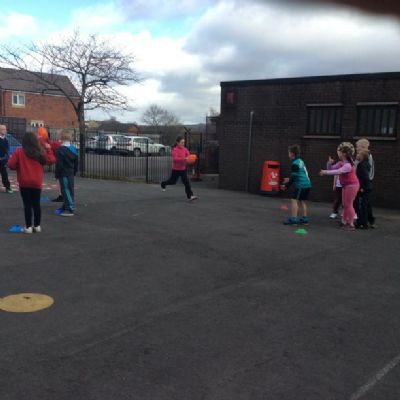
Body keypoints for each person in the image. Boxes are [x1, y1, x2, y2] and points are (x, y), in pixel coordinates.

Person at [7, 132, 56, 233]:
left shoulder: (19, 151)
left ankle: (28, 226)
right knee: (36, 204)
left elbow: (11, 165)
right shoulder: (40, 152)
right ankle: (37, 226)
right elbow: (51, 160)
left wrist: (19, 167)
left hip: (24, 182)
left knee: (27, 205)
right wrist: (49, 149)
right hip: (36, 182)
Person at [319, 142, 359, 231]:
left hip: (352, 185)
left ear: (344, 154)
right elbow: (332, 169)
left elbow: (338, 171)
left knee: (348, 205)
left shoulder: (348, 165)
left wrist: (325, 172)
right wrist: (329, 164)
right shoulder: (341, 162)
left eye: (339, 152)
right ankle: (344, 222)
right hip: (345, 185)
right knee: (345, 205)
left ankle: (351, 224)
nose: (338, 153)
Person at [280, 144, 312, 225]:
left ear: (292, 154)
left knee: (294, 200)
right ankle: (304, 219)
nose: (288, 154)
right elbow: (299, 174)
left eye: (289, 152)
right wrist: (289, 179)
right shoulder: (300, 161)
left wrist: (286, 186)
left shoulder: (295, 163)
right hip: (307, 184)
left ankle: (293, 219)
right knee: (303, 201)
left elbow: (294, 177)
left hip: (301, 185)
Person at [161, 136, 198, 201]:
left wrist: (192, 158)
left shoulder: (185, 149)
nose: (183, 144)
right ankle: (163, 184)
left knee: (187, 183)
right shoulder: (175, 150)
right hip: (176, 169)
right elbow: (175, 159)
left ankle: (190, 196)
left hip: (183, 169)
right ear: (177, 143)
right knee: (172, 182)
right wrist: (184, 159)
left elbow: (188, 156)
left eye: (184, 142)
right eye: (181, 142)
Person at [55, 130, 79, 217]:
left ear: (61, 138)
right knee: (70, 190)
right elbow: (76, 162)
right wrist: (75, 171)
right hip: (71, 172)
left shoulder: (60, 150)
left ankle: (69, 208)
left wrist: (57, 175)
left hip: (64, 173)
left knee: (65, 190)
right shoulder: (73, 148)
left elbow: (59, 165)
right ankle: (66, 206)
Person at [355, 138, 376, 228]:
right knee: (365, 203)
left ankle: (365, 221)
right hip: (364, 183)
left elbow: (367, 173)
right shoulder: (362, 157)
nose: (356, 149)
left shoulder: (367, 157)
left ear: (362, 147)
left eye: (357, 147)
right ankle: (366, 220)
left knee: (363, 203)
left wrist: (363, 185)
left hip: (364, 184)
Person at [354, 150, 372, 229]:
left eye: (358, 154)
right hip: (367, 187)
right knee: (364, 205)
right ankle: (364, 223)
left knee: (359, 205)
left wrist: (361, 187)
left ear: (362, 156)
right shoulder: (367, 164)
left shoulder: (361, 165)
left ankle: (361, 222)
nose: (357, 155)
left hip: (363, 188)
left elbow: (364, 177)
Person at [0, 124, 13, 194]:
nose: (5, 130)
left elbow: (7, 149)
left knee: (4, 174)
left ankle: (8, 187)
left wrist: (8, 156)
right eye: (3, 129)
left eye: (5, 129)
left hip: (3, 160)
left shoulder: (6, 140)